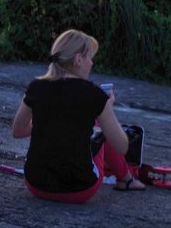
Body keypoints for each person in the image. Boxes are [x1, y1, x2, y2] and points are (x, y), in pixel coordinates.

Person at [10, 29, 145, 202]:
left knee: (82, 122)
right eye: (89, 57)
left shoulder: (36, 87)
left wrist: (49, 122)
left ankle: (126, 179)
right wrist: (106, 109)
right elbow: (122, 147)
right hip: (79, 190)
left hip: (36, 185)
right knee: (99, 128)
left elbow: (18, 131)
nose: (92, 63)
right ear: (78, 60)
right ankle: (126, 179)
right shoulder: (94, 95)